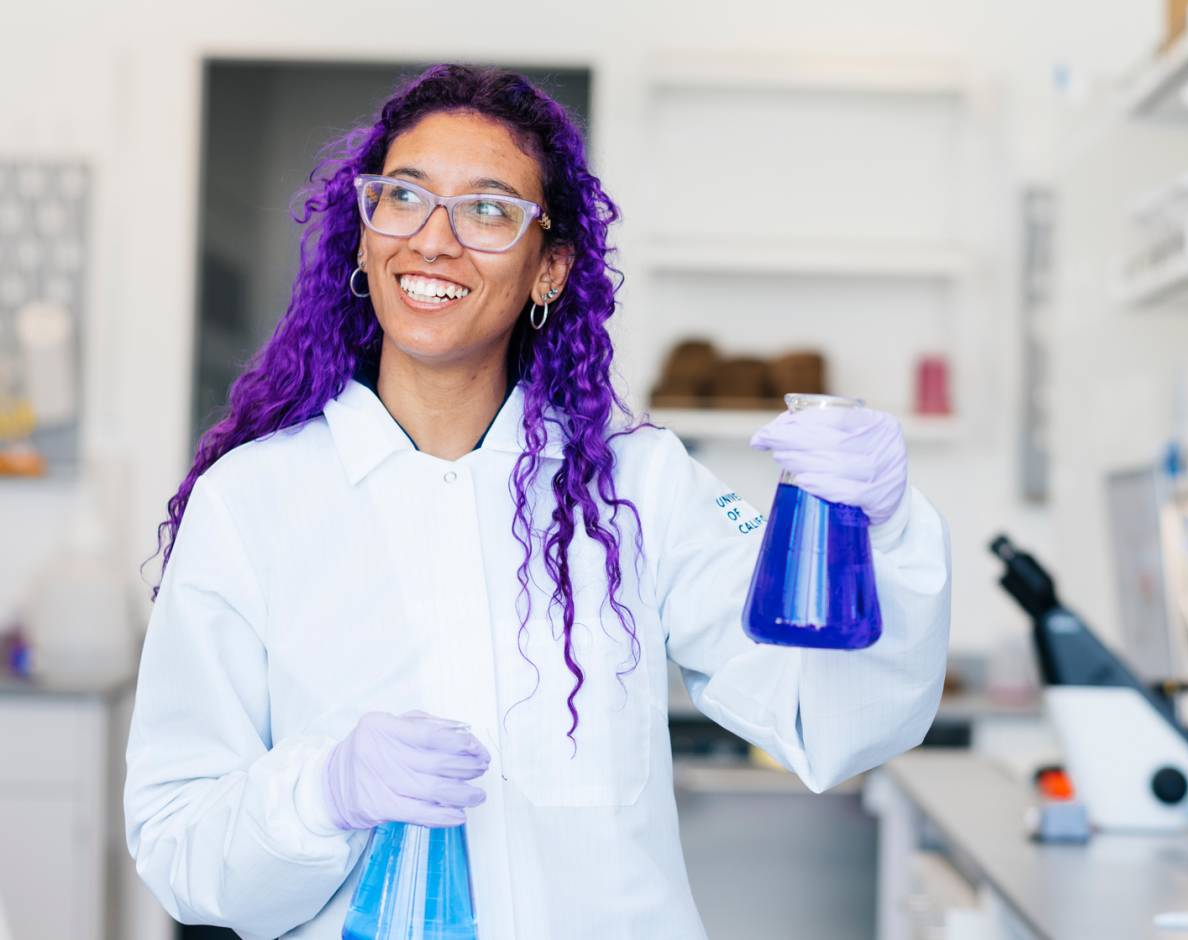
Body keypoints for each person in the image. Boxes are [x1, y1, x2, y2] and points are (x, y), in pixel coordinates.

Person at [124, 64, 951, 938]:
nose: (434, 241)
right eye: (404, 197)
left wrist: (883, 530)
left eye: (487, 210)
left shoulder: (637, 486)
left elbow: (825, 721)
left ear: (549, 268)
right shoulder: (252, 503)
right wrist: (321, 793)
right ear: (365, 236)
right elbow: (179, 846)